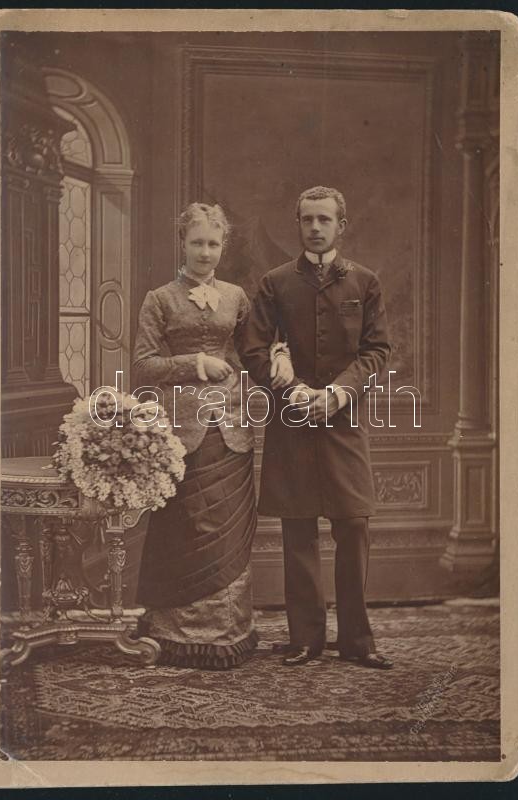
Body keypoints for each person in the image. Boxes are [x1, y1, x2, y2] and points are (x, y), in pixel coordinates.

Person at [240, 185, 394, 669]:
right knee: (298, 529)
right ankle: (305, 638)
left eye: (324, 219)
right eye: (307, 219)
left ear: (341, 226)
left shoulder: (365, 282)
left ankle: (357, 641)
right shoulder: (275, 283)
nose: (315, 227)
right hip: (293, 422)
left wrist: (338, 393)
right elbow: (253, 349)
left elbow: (377, 350)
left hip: (345, 421)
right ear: (298, 224)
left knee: (353, 525)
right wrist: (291, 390)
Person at [133, 202, 258, 669]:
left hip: (232, 427)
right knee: (186, 525)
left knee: (227, 528)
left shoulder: (236, 297)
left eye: (214, 244)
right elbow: (144, 365)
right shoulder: (160, 299)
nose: (206, 252)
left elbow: (253, 353)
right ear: (182, 244)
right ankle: (176, 633)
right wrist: (195, 363)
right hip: (182, 429)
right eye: (197, 243)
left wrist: (280, 357)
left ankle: (227, 632)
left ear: (224, 246)